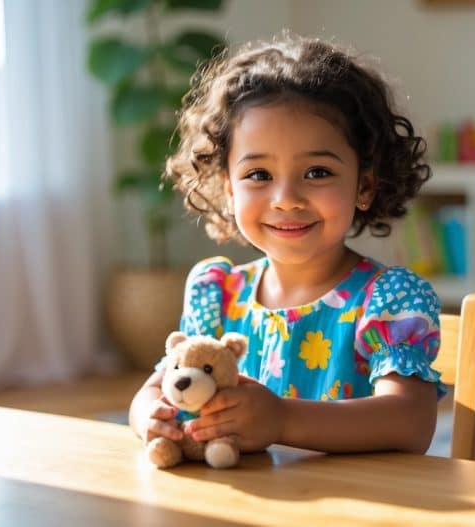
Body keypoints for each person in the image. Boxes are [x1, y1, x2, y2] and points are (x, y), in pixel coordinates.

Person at [129, 33, 445, 455]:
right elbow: (153, 391)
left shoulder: (387, 300)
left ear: (364, 185)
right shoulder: (217, 293)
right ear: (228, 188)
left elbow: (410, 422)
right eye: (258, 175)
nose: (286, 199)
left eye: (317, 172)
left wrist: (280, 419)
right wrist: (152, 416)